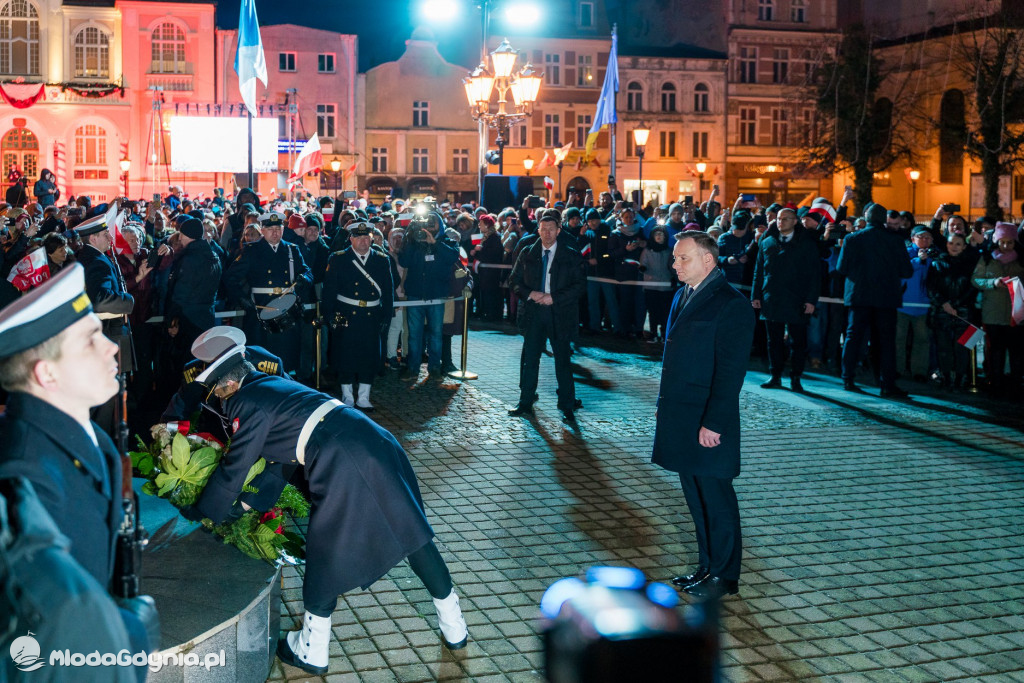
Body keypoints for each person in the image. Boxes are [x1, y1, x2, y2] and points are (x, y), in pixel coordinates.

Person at [179, 346, 469, 675]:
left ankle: (312, 650)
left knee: (324, 552)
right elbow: (282, 457)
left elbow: (236, 466)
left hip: (343, 458)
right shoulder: (272, 386)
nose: (217, 397)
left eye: (216, 391)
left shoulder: (247, 401)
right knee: (413, 535)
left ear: (229, 385)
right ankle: (454, 627)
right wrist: (246, 503)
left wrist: (205, 511)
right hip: (374, 441)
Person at [0, 264, 153, 678]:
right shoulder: (25, 478)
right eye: (90, 341)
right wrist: (130, 635)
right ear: (46, 373)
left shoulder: (92, 436)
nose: (111, 348)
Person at [653, 231, 755, 600]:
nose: (675, 264)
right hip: (682, 414)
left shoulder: (731, 304)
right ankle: (708, 566)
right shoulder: (685, 294)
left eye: (683, 259)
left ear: (708, 261)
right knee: (696, 497)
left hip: (709, 418)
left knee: (716, 497)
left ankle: (726, 576)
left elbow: (730, 373)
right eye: (676, 259)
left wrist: (714, 422)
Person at [508, 214, 586, 421]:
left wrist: (555, 298)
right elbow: (513, 281)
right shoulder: (528, 252)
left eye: (551, 228)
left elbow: (579, 286)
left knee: (562, 360)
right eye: (543, 229)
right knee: (530, 360)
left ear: (559, 230)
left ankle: (567, 404)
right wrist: (529, 294)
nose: (547, 233)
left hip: (559, 313)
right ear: (538, 231)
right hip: (534, 313)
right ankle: (525, 401)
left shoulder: (570, 254)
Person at [836, 203, 914, 397]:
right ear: (883, 219)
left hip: (859, 295)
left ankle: (848, 378)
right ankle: (887, 383)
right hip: (886, 297)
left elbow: (841, 268)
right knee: (886, 341)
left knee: (853, 337)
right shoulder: (895, 240)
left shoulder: (852, 239)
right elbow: (907, 271)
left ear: (866, 216)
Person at [224, 212, 313, 373]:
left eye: (278, 228)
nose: (275, 232)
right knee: (262, 360)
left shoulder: (292, 250)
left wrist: (303, 279)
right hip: (261, 311)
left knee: (287, 357)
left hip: (287, 311)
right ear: (263, 230)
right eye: (270, 229)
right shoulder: (252, 250)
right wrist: (242, 299)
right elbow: (231, 278)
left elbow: (308, 272)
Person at [74, 210, 135, 435]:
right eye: (105, 234)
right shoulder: (97, 262)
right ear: (92, 238)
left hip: (101, 336)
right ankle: (104, 449)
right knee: (107, 401)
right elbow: (100, 301)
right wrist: (128, 301)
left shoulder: (90, 258)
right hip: (109, 336)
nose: (110, 238)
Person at [322, 222, 394, 409]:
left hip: (371, 314)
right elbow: (329, 290)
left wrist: (387, 315)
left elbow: (388, 290)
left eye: (366, 238)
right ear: (351, 239)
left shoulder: (381, 259)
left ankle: (364, 396)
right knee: (345, 354)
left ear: (371, 238)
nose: (363, 242)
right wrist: (329, 315)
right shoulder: (338, 259)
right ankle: (347, 395)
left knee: (368, 355)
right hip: (345, 313)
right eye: (359, 237)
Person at [750, 208, 821, 392]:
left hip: (797, 300)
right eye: (779, 219)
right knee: (773, 341)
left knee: (798, 342)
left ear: (795, 221)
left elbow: (814, 275)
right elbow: (759, 271)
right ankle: (775, 375)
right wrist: (756, 296)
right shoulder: (767, 242)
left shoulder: (806, 244)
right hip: (772, 298)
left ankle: (796, 377)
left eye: (786, 219)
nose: (781, 222)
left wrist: (811, 300)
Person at [398, 210, 459, 380]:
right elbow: (404, 261)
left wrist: (435, 243)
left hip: (436, 294)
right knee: (414, 334)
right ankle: (413, 368)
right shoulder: (414, 240)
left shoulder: (447, 241)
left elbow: (452, 257)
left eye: (433, 222)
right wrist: (410, 236)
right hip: (415, 294)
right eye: (426, 222)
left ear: (440, 223)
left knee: (436, 334)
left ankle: (434, 369)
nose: (429, 226)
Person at [971, 222, 1024, 396]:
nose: (1006, 246)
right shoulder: (987, 258)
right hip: (992, 312)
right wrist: (992, 283)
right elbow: (976, 280)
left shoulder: (1021, 259)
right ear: (996, 241)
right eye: (1002, 242)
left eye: (1010, 242)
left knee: (1016, 351)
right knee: (995, 351)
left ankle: (1015, 384)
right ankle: (995, 383)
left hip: (1015, 313)